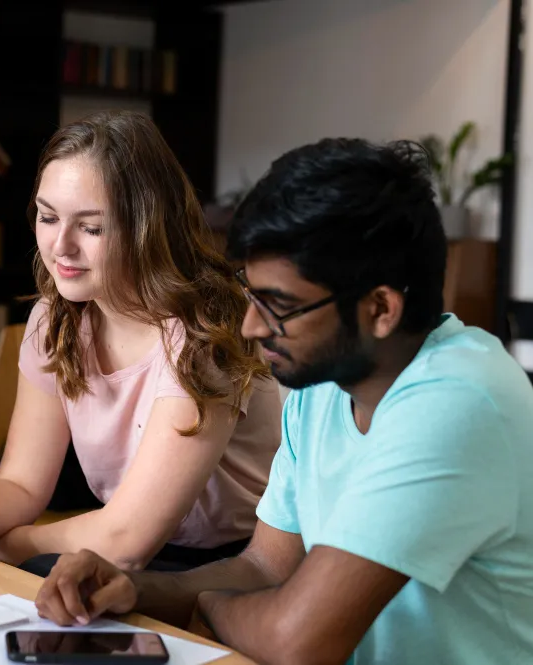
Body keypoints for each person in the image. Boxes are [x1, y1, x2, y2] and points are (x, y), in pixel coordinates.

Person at [31, 138, 533, 665]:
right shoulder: (324, 387)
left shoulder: (456, 401)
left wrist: (209, 607)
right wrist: (135, 588)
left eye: (279, 306)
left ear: (380, 308)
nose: (250, 326)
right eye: (252, 295)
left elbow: (299, 641)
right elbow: (266, 569)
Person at [0, 110, 283, 575]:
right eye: (48, 217)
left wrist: (9, 546)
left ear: (148, 227)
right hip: (117, 545)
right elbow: (23, 485)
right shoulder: (55, 318)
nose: (60, 246)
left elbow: (128, 540)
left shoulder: (205, 331)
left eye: (91, 227)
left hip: (234, 564)